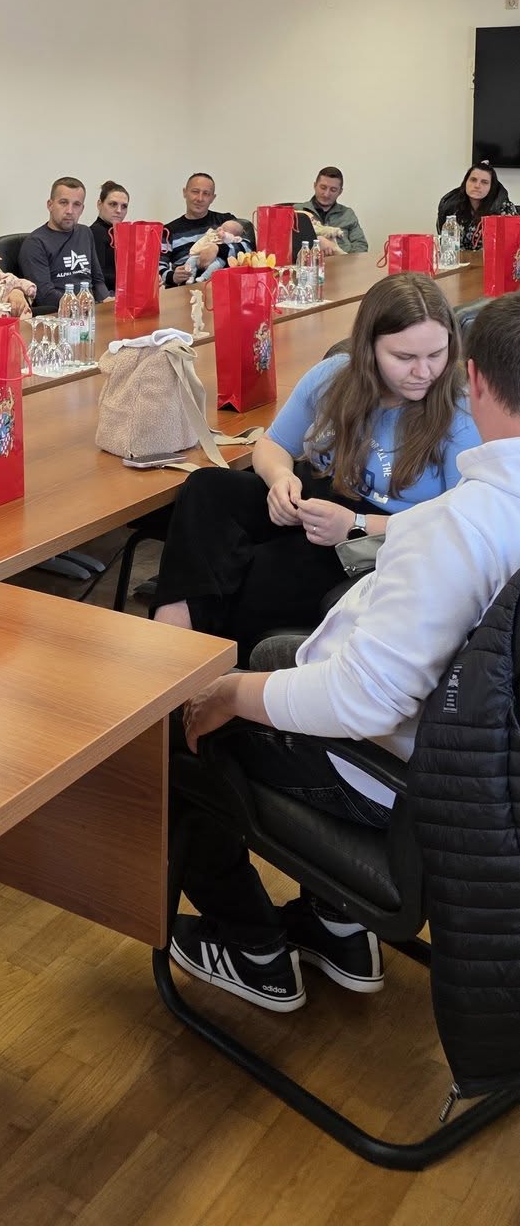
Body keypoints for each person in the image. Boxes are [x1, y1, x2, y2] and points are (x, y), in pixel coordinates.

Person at [169, 292, 520, 1015]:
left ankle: (250, 947)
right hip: (480, 771)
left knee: (170, 738)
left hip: (393, 772)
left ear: (473, 378)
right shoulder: (472, 512)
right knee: (270, 630)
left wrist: (230, 694)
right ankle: (335, 924)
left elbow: (363, 701)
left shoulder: (461, 525)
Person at [152, 274, 477, 664]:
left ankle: (186, 662)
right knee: (206, 488)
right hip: (317, 500)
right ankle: (173, 640)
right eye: (404, 358)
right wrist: (280, 478)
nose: (423, 372)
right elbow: (273, 444)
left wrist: (357, 525)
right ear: (368, 349)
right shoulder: (334, 376)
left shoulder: (461, 413)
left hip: (379, 534)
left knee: (249, 572)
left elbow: (461, 524)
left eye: (436, 355)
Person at [19, 178, 109, 312]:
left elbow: (98, 280)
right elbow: (44, 295)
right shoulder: (35, 243)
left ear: (82, 209)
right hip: (59, 314)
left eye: (76, 204)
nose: (70, 211)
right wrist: (80, 307)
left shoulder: (85, 232)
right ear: (50, 205)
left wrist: (106, 300)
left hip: (90, 311)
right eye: (63, 202)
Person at [160, 174, 255, 285]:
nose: (200, 198)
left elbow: (249, 250)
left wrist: (217, 249)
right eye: (195, 192)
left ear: (212, 198)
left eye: (206, 194)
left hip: (225, 286)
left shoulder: (226, 221)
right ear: (185, 193)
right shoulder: (169, 231)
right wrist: (173, 277)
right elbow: (158, 266)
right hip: (187, 289)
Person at [436, 159, 516, 251]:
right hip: (459, 259)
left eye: (484, 182)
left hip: (491, 259)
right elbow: (447, 246)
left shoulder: (504, 209)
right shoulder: (451, 206)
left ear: (491, 187)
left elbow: (511, 247)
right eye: (473, 180)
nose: (477, 185)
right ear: (465, 182)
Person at [298, 167, 368, 254]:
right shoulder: (298, 211)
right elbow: (287, 244)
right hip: (309, 260)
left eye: (333, 190)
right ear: (315, 185)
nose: (326, 194)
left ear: (340, 192)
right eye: (323, 187)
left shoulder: (347, 214)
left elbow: (361, 246)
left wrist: (344, 257)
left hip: (343, 260)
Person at [90, 181, 130, 296]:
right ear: (99, 204)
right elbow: (99, 276)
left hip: (122, 292)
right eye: (113, 204)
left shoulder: (123, 233)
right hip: (106, 296)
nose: (119, 210)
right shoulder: (95, 232)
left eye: (124, 206)